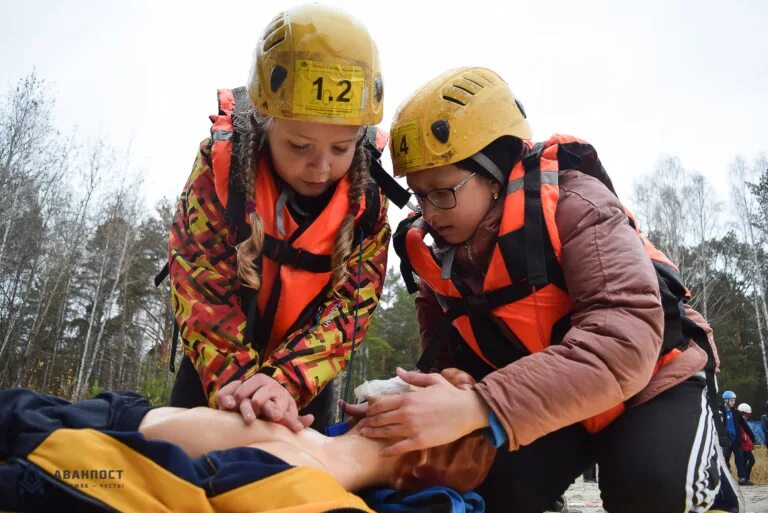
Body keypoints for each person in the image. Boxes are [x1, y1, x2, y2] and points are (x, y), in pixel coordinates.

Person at [347, 66, 742, 513]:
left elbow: (623, 341)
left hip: (651, 382)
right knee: (482, 489)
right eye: (419, 194)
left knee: (651, 489)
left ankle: (710, 486)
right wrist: (434, 394)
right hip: (550, 403)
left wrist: (478, 403)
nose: (430, 214)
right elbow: (450, 362)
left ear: (494, 173)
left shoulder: (578, 207)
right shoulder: (436, 257)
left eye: (443, 192)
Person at [164, 4, 390, 433]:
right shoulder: (221, 172)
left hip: (305, 382)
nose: (321, 168)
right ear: (264, 125)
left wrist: (285, 383)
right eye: (300, 145)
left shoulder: (368, 202)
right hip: (214, 365)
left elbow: (352, 305)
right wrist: (237, 384)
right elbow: (196, 278)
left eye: (341, 149)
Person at [0, 387, 495, 513]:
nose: (395, 386)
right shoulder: (313, 437)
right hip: (100, 415)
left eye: (418, 395)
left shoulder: (313, 487)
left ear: (422, 452)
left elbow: (142, 490)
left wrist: (43, 471)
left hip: (75, 451)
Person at [720, 391, 749, 486]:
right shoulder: (720, 411)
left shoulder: (736, 412)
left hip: (736, 439)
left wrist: (751, 436)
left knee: (740, 458)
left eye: (734, 400)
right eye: (732, 400)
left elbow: (744, 425)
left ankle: (742, 478)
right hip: (725, 440)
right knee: (725, 459)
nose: (733, 402)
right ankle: (727, 479)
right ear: (726, 401)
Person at [736, 402, 756, 486]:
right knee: (751, 460)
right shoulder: (738, 423)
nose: (747, 417)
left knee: (744, 461)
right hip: (743, 446)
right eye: (746, 415)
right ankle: (745, 478)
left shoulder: (742, 423)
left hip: (746, 446)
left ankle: (743, 478)